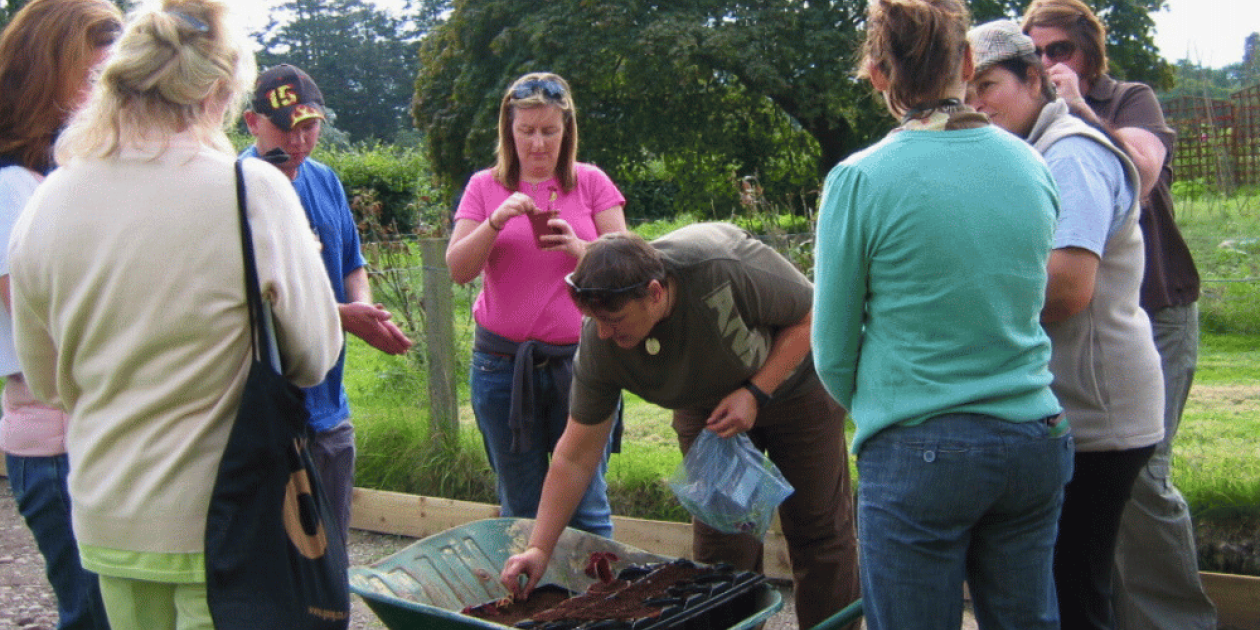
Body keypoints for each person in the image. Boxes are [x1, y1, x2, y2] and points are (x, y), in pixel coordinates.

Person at [6, 2, 342, 628]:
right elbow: (315, 355)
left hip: (107, 519)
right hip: (227, 520)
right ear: (218, 90)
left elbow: (47, 384)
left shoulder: (49, 200)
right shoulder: (250, 192)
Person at [810, 1, 1073, 628]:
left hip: (919, 449)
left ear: (878, 74)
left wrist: (889, 409)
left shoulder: (860, 179)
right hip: (1034, 435)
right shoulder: (1030, 164)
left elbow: (833, 351)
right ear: (967, 60)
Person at [501, 225, 860, 630]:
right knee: (722, 544)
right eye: (594, 320)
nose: (603, 332)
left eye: (614, 319)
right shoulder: (601, 342)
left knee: (818, 532)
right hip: (707, 410)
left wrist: (756, 392)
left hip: (796, 389)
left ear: (655, 293)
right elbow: (575, 455)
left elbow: (813, 315)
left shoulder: (719, 267)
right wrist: (538, 547)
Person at [1021, 2, 1216, 628]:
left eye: (1061, 51)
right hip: (1088, 324)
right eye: (1037, 53)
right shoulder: (1028, 127)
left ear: (1088, 52)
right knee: (1086, 493)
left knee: (1144, 481)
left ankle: (1178, 622)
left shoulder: (1127, 99)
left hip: (1155, 310)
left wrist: (1076, 107)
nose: (1050, 64)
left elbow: (1143, 168)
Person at [966, 20, 1165, 630]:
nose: (974, 103)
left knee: (1075, 591)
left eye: (986, 84)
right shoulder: (1032, 154)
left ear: (1034, 78)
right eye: (963, 89)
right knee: (1063, 586)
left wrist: (961, 305)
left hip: (1098, 414)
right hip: (1071, 407)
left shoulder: (1072, 154)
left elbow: (1067, 291)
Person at [445, 72, 626, 537]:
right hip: (502, 368)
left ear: (567, 131)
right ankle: (527, 606)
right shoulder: (485, 186)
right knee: (520, 508)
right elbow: (458, 269)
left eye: (549, 130)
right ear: (509, 130)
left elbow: (631, 271)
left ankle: (593, 605)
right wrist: (492, 224)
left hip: (582, 365)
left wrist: (582, 249)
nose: (538, 143)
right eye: (526, 131)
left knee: (586, 506)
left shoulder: (590, 183)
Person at [242, 62, 413, 544]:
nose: (298, 141)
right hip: (266, 410)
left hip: (330, 407)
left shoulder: (325, 179)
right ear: (252, 122)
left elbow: (353, 263)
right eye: (284, 128)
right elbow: (246, 301)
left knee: (332, 555)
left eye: (309, 126)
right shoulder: (234, 188)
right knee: (278, 563)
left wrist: (369, 311)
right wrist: (343, 318)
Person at [0, 3, 121, 628]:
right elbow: (45, 327)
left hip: (87, 434)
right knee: (97, 614)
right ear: (42, 73)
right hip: (58, 441)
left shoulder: (55, 178)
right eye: (93, 77)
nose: (108, 98)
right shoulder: (12, 188)